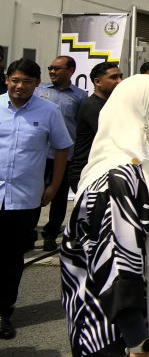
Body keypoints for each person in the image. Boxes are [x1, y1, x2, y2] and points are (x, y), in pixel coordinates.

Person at [61, 74, 149, 357]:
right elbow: (116, 264)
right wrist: (139, 342)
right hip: (116, 334)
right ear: (142, 113)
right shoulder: (118, 178)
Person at [0, 58, 72, 340]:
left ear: (36, 84)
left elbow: (63, 148)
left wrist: (53, 187)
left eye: (27, 82)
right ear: (7, 80)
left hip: (25, 200)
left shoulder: (49, 111)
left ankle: (4, 311)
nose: (20, 86)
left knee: (12, 258)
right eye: (15, 80)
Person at [35, 55, 88, 251]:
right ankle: (28, 232)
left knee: (59, 197)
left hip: (65, 155)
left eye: (57, 68)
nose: (52, 72)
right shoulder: (40, 92)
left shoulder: (80, 96)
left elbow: (81, 126)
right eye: (50, 68)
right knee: (35, 193)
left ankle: (51, 234)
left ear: (71, 71)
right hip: (40, 154)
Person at [67, 62, 124, 192]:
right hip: (86, 173)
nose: (120, 81)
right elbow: (115, 137)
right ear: (98, 82)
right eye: (113, 77)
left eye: (121, 76)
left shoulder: (110, 104)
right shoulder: (93, 106)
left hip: (101, 171)